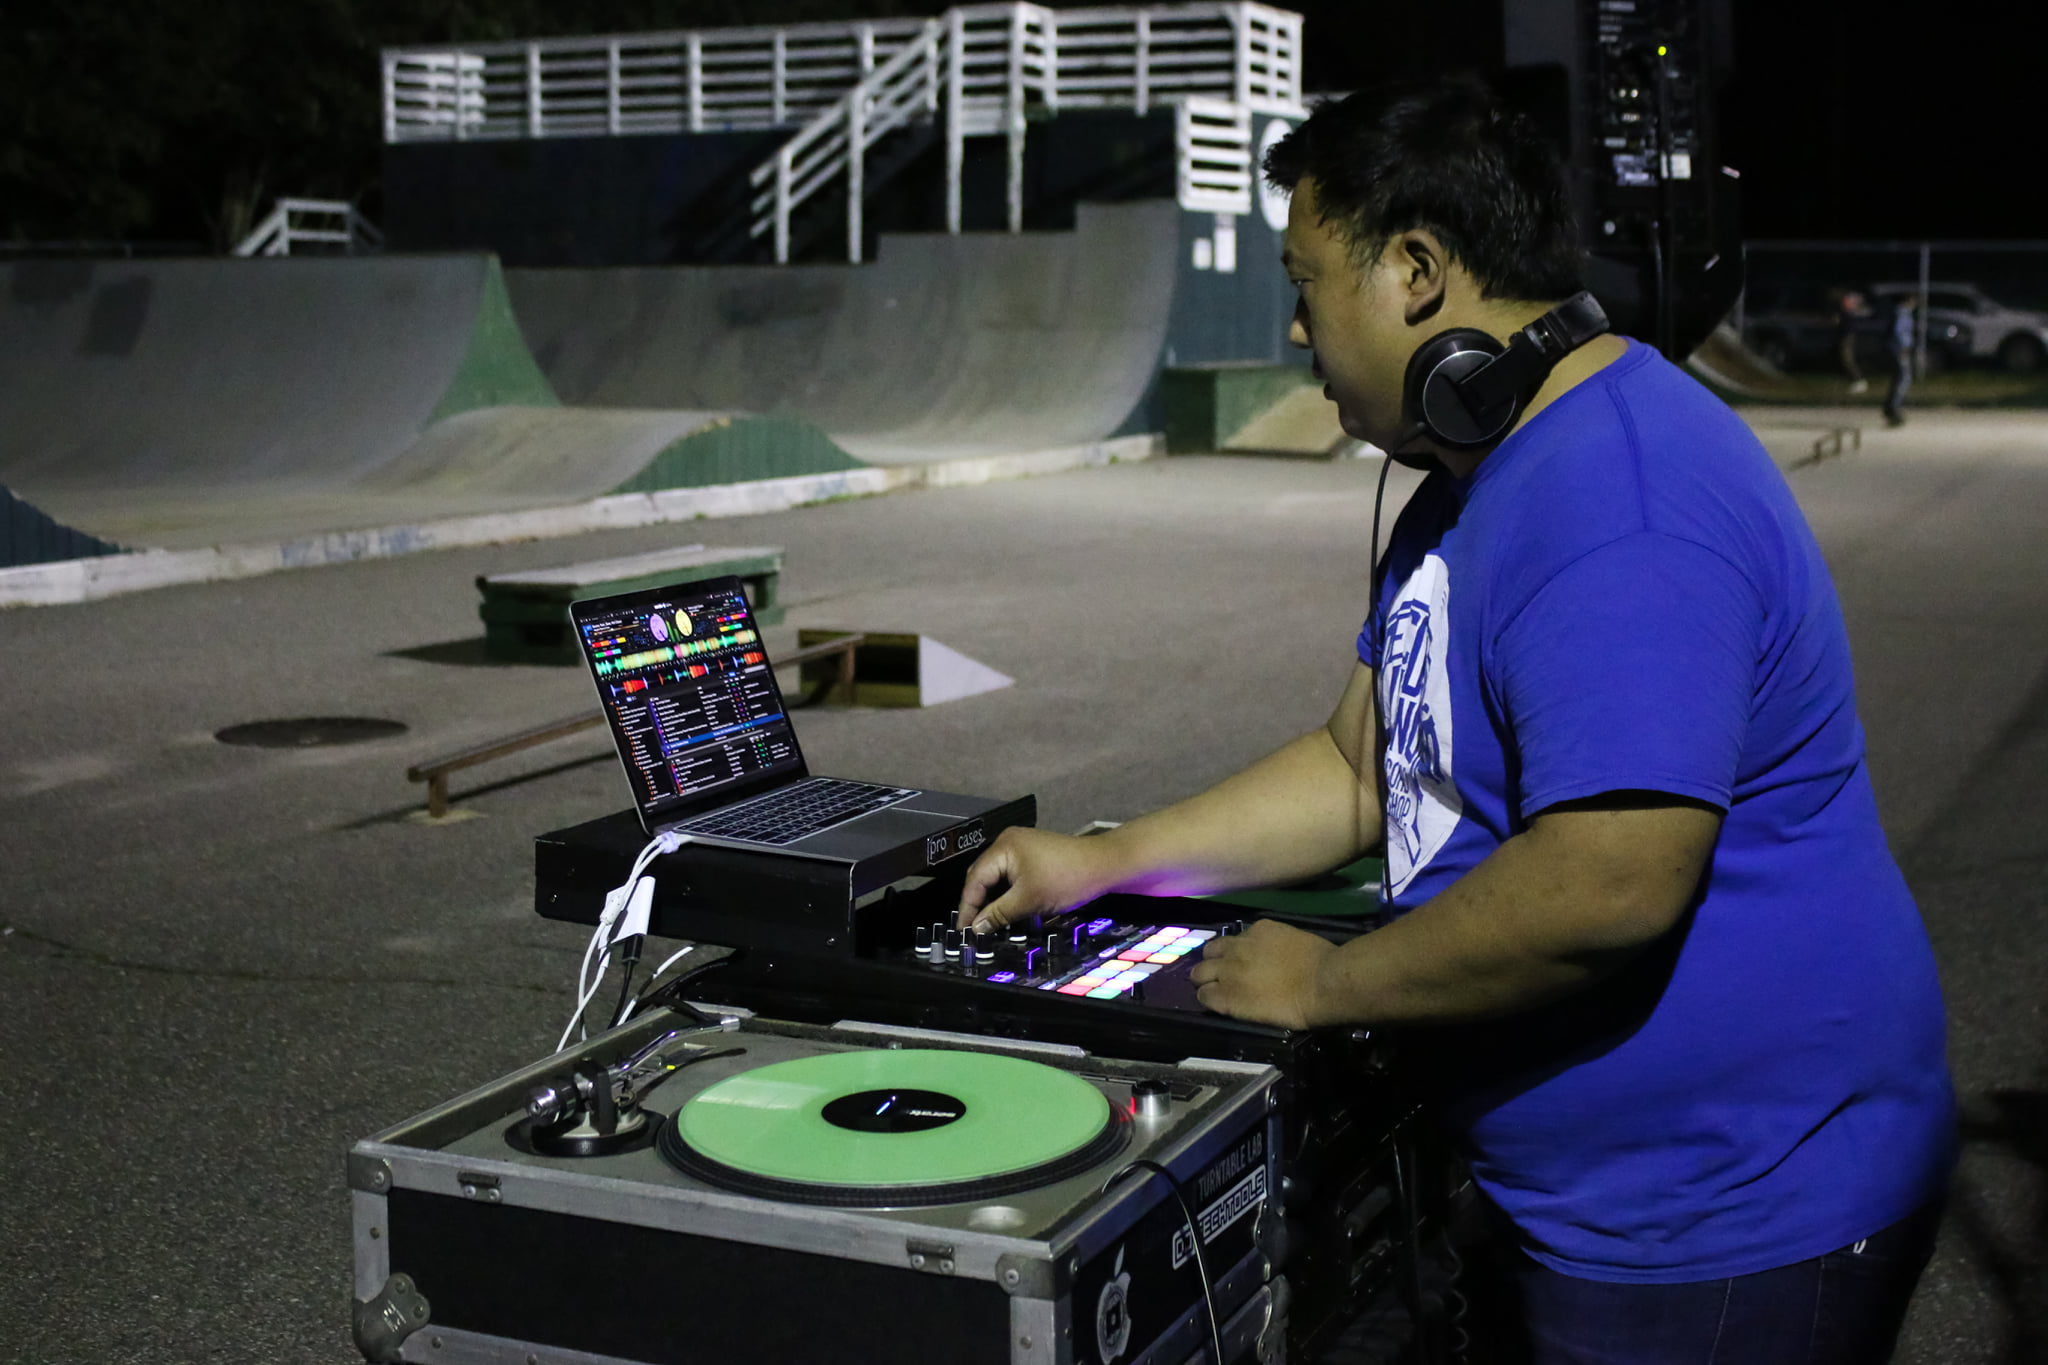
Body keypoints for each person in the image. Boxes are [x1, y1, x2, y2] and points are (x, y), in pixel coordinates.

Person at [957, 78, 1954, 1363]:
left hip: (1724, 1223)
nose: (1296, 328)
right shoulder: (1477, 466)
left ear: (1416, 271)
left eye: (1306, 281)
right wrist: (1099, 861)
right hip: (1591, 1200)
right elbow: (1361, 764)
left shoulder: (1617, 501)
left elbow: (1610, 881)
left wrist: (1325, 983)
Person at [1886, 292, 1917, 426]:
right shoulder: (1902, 314)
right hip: (1900, 351)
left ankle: (1891, 408)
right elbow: (1899, 331)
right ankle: (1893, 408)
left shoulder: (1901, 313)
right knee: (1904, 379)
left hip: (1897, 350)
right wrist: (1903, 347)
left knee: (1899, 379)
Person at [1836, 287, 1872, 393]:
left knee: (1847, 358)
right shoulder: (1849, 300)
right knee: (1845, 357)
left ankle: (1859, 380)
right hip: (1847, 332)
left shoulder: (1848, 299)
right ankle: (1856, 380)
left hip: (1849, 333)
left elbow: (1861, 311)